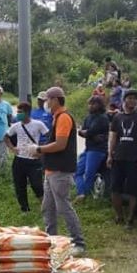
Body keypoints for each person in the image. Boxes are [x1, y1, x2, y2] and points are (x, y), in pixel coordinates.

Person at [29, 87, 85, 255]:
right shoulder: (56, 118)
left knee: (64, 207)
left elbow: (60, 144)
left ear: (54, 100)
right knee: (48, 208)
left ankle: (78, 243)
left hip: (60, 171)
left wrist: (39, 149)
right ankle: (51, 240)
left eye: (47, 100)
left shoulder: (64, 118)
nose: (46, 103)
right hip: (51, 171)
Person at [107, 89, 137, 228]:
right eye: (129, 98)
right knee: (115, 188)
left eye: (134, 98)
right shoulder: (117, 117)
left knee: (133, 190)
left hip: (134, 158)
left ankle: (130, 219)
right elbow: (113, 137)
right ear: (124, 100)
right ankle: (119, 216)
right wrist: (110, 154)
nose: (132, 100)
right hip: (118, 157)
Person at [4, 102, 48, 213]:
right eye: (17, 112)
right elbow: (6, 137)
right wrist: (12, 148)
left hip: (34, 161)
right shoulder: (16, 126)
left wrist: (42, 150)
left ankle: (46, 208)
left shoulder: (38, 124)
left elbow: (50, 137)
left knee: (37, 185)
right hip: (19, 160)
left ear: (27, 112)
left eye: (20, 112)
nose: (18, 114)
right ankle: (25, 209)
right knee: (20, 186)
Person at [74, 96, 110, 202]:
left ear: (99, 105)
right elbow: (81, 131)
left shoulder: (102, 118)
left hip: (98, 150)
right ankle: (81, 193)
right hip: (89, 147)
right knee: (78, 172)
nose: (90, 106)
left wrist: (87, 133)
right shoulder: (88, 117)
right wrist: (88, 134)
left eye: (93, 104)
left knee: (89, 173)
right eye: (89, 104)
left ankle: (84, 196)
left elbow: (89, 132)